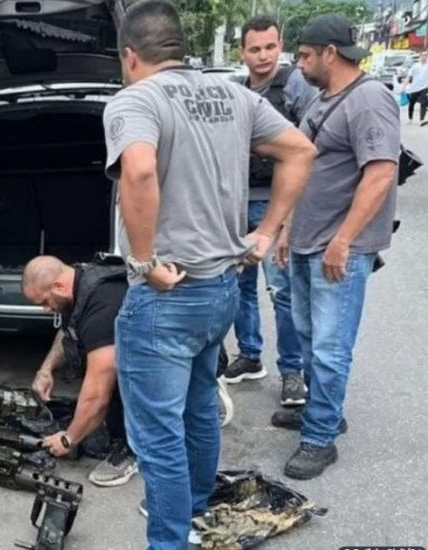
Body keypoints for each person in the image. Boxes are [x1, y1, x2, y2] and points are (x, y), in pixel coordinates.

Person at [101, 1, 316, 547]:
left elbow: (141, 168)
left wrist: (145, 262)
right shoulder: (235, 95)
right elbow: (300, 150)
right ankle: (194, 508)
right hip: (221, 287)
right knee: (198, 405)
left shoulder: (135, 100)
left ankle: (169, 540)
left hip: (168, 294)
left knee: (156, 435)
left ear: (130, 56)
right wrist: (265, 233)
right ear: (178, 46)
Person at [273, 15, 400, 480]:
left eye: (304, 54)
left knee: (329, 347)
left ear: (330, 52)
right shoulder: (324, 100)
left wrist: (343, 240)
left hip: (338, 248)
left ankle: (320, 437)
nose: (299, 63)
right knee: (309, 339)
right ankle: (323, 411)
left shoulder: (368, 100)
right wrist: (287, 228)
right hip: (308, 241)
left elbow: (381, 172)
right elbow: (304, 169)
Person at [223, 15, 318, 408]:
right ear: (242, 52)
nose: (263, 56)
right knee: (239, 285)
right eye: (254, 48)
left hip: (276, 203)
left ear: (281, 47)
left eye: (270, 47)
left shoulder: (295, 85)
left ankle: (292, 371)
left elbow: (310, 145)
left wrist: (292, 212)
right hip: (238, 200)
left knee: (281, 290)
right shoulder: (238, 90)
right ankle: (249, 355)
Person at [21, 256, 137, 488]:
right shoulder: (78, 281)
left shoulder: (103, 307)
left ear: (58, 287)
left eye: (44, 302)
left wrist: (68, 439)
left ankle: (132, 449)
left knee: (115, 382)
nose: (45, 309)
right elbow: (70, 329)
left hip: (166, 359)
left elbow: (97, 392)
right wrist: (46, 370)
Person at [404, 51, 428, 126]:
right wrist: (404, 85)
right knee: (412, 103)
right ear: (420, 57)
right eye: (423, 56)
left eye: (426, 56)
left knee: (423, 103)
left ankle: (422, 119)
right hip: (414, 88)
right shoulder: (415, 66)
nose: (424, 57)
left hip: (424, 87)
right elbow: (408, 76)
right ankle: (410, 118)